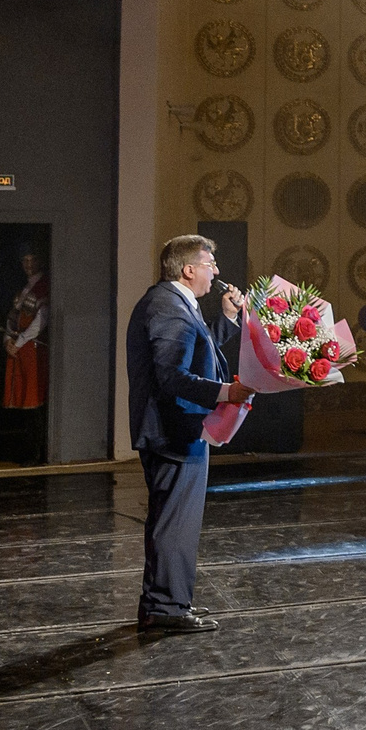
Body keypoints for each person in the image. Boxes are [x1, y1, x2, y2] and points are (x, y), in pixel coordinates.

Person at [123, 234, 254, 634]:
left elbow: (198, 350)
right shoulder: (166, 305)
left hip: (182, 428)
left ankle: (167, 603)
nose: (217, 271)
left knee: (175, 522)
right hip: (173, 431)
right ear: (189, 269)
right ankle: (165, 607)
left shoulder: (179, 303)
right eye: (210, 263)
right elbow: (171, 375)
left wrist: (228, 318)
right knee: (174, 523)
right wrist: (225, 392)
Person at [1, 248, 50, 411]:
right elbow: (12, 317)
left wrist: (19, 342)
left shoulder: (44, 286)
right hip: (17, 347)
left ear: (40, 262)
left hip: (31, 348)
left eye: (33, 260)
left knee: (32, 394)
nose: (29, 264)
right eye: (25, 260)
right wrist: (8, 340)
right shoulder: (24, 288)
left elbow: (40, 320)